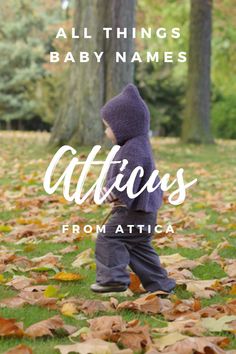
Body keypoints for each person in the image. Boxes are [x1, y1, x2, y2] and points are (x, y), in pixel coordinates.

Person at [90, 83, 176, 294]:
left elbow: (126, 177)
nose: (106, 131)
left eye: (108, 126)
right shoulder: (136, 145)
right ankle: (161, 286)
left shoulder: (133, 149)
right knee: (139, 250)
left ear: (123, 125)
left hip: (134, 213)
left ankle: (113, 279)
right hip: (143, 213)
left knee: (109, 237)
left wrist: (107, 194)